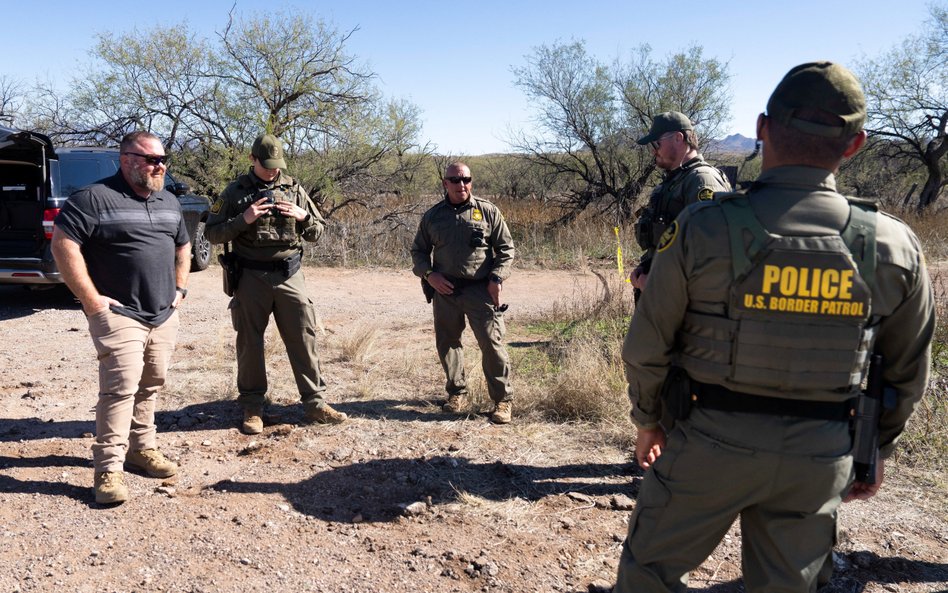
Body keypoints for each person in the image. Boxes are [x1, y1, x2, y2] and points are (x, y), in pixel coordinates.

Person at [613, 62, 935, 593]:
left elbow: (646, 346)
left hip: (709, 440)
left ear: (763, 129)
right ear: (855, 144)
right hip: (820, 455)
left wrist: (648, 420)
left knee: (649, 574)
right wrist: (875, 451)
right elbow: (907, 374)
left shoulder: (705, 226)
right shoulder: (895, 246)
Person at [51, 131, 189, 505]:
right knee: (120, 389)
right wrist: (91, 300)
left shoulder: (168, 201)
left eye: (163, 159)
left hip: (163, 312)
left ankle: (140, 449)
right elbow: (63, 244)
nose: (160, 165)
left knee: (151, 383)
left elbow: (183, 244)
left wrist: (180, 288)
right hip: (118, 313)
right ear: (126, 159)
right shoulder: (93, 198)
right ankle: (108, 470)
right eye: (151, 160)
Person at [205, 133, 346, 435]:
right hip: (250, 277)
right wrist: (243, 218)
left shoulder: (293, 188)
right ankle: (253, 406)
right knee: (250, 343)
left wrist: (304, 216)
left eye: (276, 165)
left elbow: (317, 231)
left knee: (303, 337)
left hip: (290, 274)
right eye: (266, 165)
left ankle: (315, 403)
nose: (272, 171)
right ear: (252, 160)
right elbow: (212, 234)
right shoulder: (235, 192)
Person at [410, 162, 515, 424]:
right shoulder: (433, 216)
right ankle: (456, 393)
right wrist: (429, 275)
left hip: (481, 289)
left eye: (466, 179)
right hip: (445, 290)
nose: (461, 185)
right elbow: (418, 252)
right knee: (448, 343)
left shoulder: (487, 211)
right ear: (445, 183)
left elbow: (506, 249)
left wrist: (496, 278)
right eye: (455, 180)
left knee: (492, 345)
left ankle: (502, 401)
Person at [631, 111, 731, 297]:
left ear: (678, 138)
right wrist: (645, 267)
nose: (653, 150)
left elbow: (711, 255)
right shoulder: (674, 182)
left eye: (656, 144)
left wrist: (658, 283)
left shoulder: (702, 180)